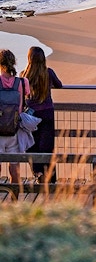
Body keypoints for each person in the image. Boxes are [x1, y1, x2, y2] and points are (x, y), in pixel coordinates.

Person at [20, 46, 63, 182]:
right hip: (47, 113)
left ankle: (38, 173)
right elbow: (59, 85)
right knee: (47, 145)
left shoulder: (23, 75)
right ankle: (51, 176)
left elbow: (22, 95)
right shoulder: (48, 72)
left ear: (29, 59)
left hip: (31, 115)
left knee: (32, 145)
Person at [0, 49, 30, 183]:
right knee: (14, 168)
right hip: (15, 129)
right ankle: (14, 199)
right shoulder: (23, 82)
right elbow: (27, 97)